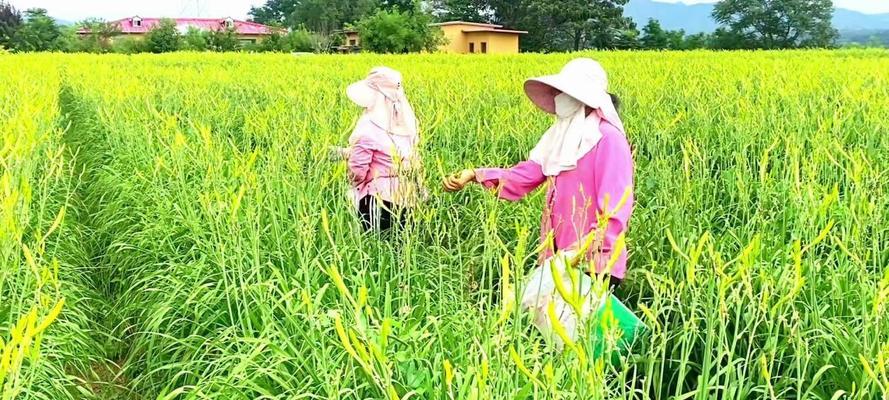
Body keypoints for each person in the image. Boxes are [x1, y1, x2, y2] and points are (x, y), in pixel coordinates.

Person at [443, 58, 634, 347]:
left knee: (586, 346)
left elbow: (617, 205)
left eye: (565, 93)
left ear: (584, 98)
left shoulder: (608, 140)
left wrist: (588, 249)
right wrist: (476, 175)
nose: (559, 99)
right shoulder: (560, 138)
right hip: (557, 259)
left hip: (592, 261)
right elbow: (525, 175)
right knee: (557, 341)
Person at [338, 66, 424, 232]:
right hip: (410, 200)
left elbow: (358, 171)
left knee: (374, 248)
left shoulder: (368, 127)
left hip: (377, 202)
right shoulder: (408, 124)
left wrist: (351, 182)